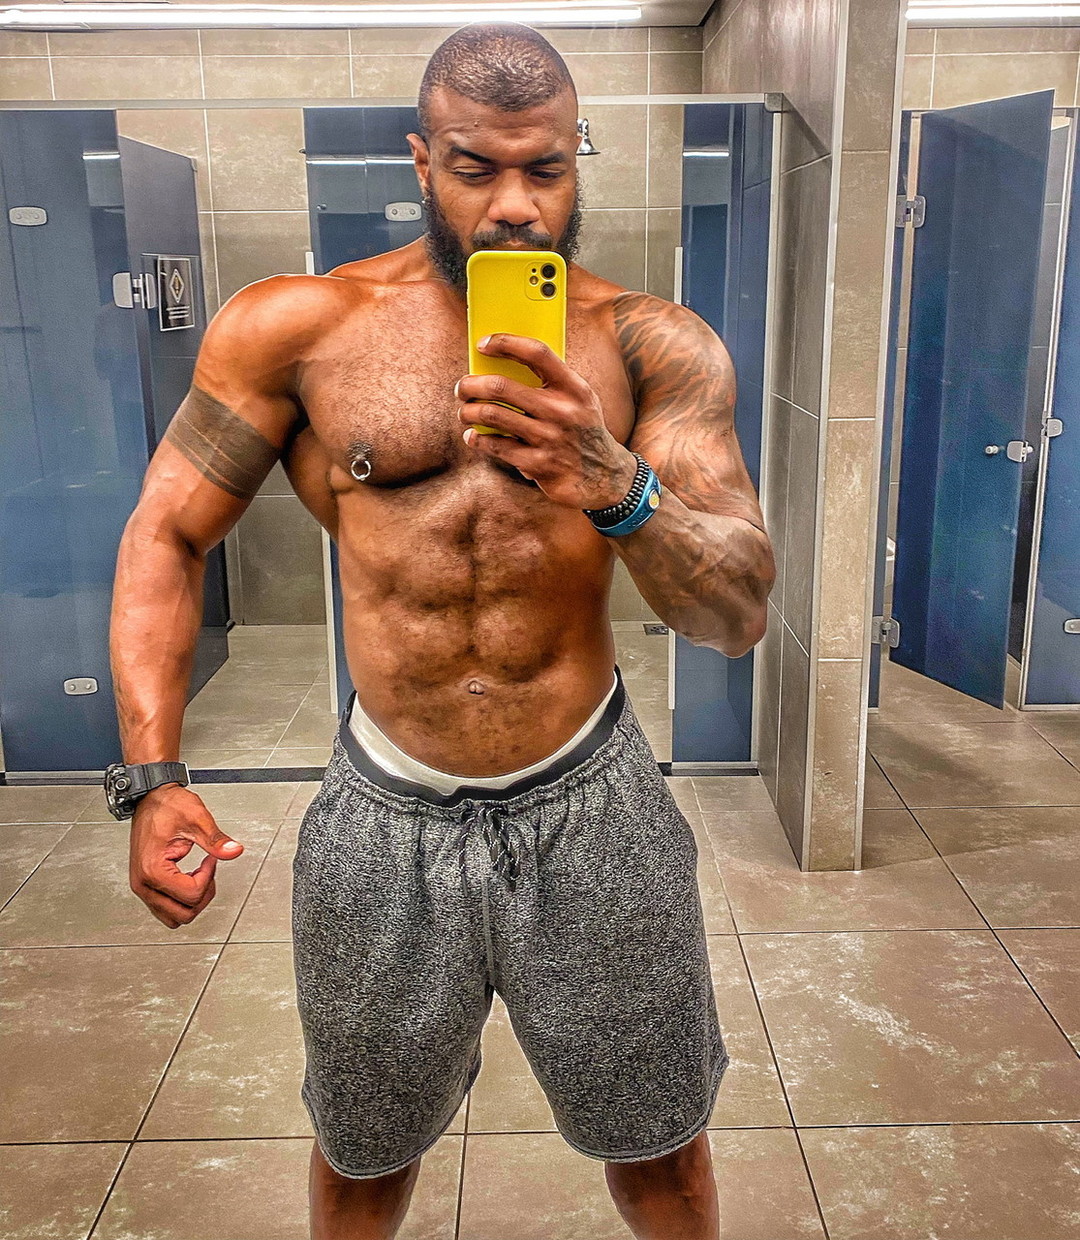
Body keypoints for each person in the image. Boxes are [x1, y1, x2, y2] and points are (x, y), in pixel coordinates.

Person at [108, 22, 774, 1240]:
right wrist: (152, 778)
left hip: (595, 801)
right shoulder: (297, 327)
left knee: (663, 1152)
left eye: (545, 168)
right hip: (383, 812)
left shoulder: (652, 343)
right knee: (362, 1152)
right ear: (422, 160)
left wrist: (616, 483)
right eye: (476, 168)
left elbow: (736, 613)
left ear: (578, 156)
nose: (515, 206)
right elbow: (166, 534)